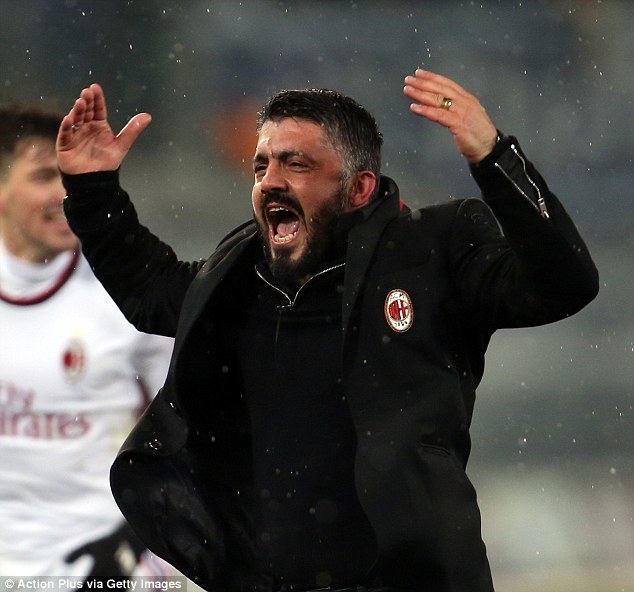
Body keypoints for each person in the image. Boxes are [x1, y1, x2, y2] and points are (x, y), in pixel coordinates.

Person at [55, 69, 598, 592]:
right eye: (261, 165)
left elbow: (564, 284)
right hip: (268, 582)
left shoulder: (432, 247)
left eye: (296, 164)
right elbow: (152, 292)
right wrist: (92, 188)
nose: (270, 181)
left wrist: (496, 157)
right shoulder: (238, 274)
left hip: (412, 581)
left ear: (359, 187)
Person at [0, 105, 174, 581]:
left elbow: (197, 429)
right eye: (43, 176)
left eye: (69, 178)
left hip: (112, 563)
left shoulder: (130, 293)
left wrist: (139, 541)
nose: (64, 193)